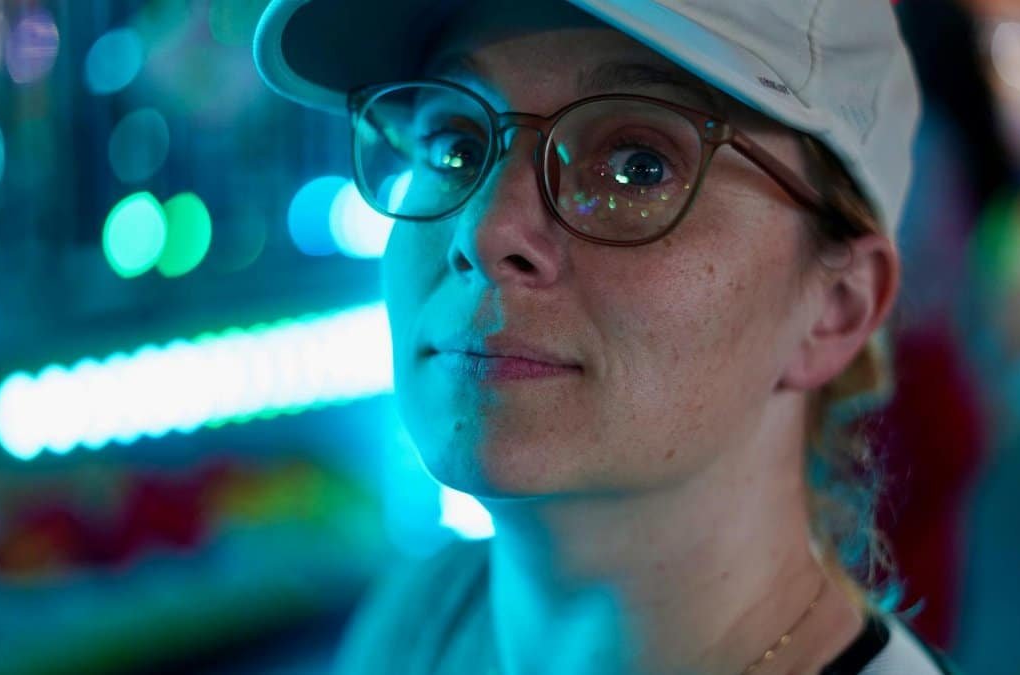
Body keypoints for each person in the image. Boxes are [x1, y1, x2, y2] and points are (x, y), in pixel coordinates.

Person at [254, 1, 959, 673]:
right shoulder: (418, 620)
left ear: (834, 307)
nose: (486, 229)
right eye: (455, 147)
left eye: (637, 167)